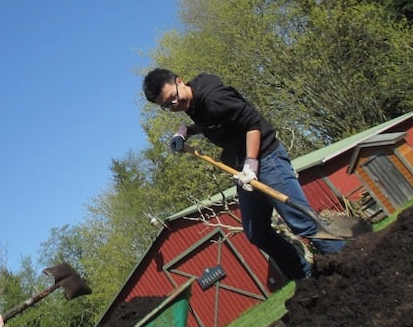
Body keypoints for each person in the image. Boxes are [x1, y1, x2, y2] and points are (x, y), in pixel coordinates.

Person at [142, 68, 345, 280]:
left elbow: (253, 123)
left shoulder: (214, 98)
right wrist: (185, 131)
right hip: (243, 170)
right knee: (257, 232)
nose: (174, 105)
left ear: (180, 82)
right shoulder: (193, 103)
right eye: (166, 106)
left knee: (300, 220)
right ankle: (305, 278)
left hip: (266, 159)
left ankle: (349, 261)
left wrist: (251, 165)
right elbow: (211, 121)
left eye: (173, 98)